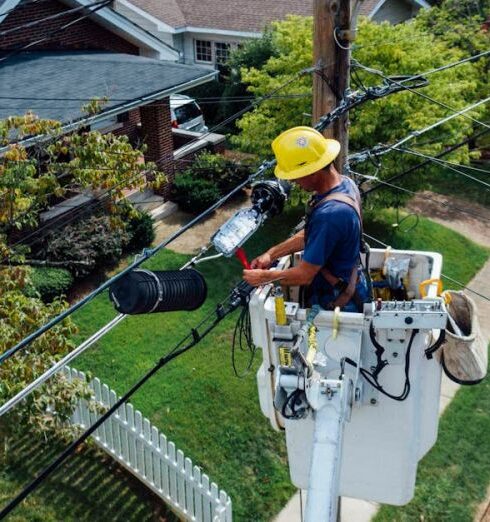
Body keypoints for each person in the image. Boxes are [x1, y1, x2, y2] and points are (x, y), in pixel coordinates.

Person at [243, 126, 370, 312]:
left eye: (295, 176)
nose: (293, 182)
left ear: (313, 171)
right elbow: (312, 235)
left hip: (338, 302)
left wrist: (263, 278)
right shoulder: (345, 184)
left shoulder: (331, 214)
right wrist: (272, 253)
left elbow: (304, 275)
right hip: (346, 284)